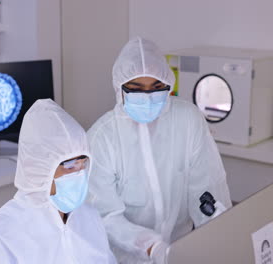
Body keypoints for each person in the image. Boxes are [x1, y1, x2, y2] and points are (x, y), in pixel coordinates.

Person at [87, 37, 233, 264]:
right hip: (125, 259)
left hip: (181, 252)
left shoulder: (188, 120)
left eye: (156, 88)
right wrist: (151, 246)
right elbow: (104, 216)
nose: (147, 97)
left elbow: (207, 190)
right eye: (136, 89)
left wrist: (222, 236)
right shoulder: (102, 138)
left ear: (168, 84)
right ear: (120, 89)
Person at [0, 99, 117, 264]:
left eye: (83, 163)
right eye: (70, 166)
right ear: (40, 168)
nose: (80, 174)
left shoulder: (89, 218)